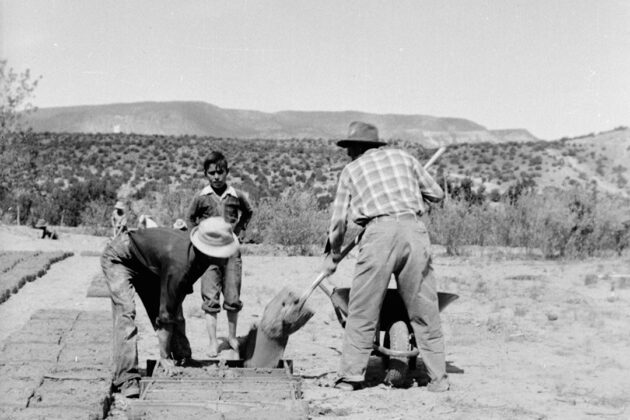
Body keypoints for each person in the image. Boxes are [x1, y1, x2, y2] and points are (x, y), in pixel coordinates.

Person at [322, 121, 448, 392]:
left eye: (349, 148)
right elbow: (437, 194)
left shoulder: (351, 170)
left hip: (378, 234)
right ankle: (439, 380)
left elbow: (338, 222)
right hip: (414, 233)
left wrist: (332, 256)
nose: (347, 154)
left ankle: (350, 378)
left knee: (362, 309)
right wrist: (415, 194)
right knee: (425, 309)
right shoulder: (405, 158)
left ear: (357, 147)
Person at [100, 217, 239, 398]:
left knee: (174, 314)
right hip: (121, 257)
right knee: (126, 314)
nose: (228, 256)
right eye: (225, 252)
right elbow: (165, 316)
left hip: (149, 265)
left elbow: (174, 302)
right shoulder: (180, 262)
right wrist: (164, 357)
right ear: (212, 252)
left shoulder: (201, 257)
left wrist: (179, 352)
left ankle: (182, 357)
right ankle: (126, 377)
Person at [187, 151, 253, 357]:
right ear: (206, 174)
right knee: (210, 298)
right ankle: (213, 342)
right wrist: (197, 237)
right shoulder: (201, 197)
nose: (216, 177)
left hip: (231, 252)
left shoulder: (236, 196)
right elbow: (190, 218)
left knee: (233, 296)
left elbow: (248, 212)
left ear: (227, 172)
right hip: (208, 254)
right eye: (211, 173)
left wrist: (239, 231)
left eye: (220, 172)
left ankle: (232, 338)